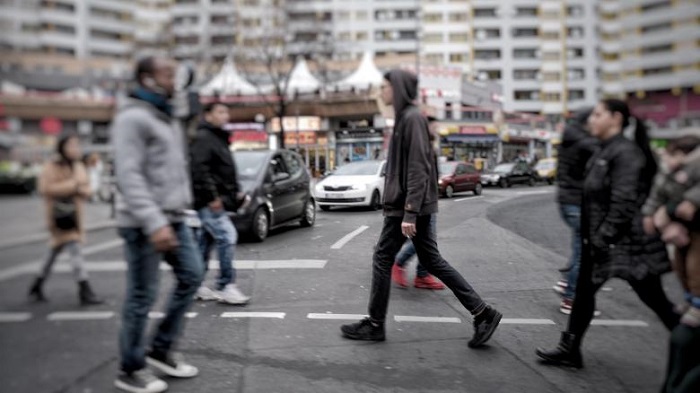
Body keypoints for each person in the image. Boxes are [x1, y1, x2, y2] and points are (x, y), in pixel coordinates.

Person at [340, 70, 502, 347]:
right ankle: (483, 312)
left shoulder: (412, 119)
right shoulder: (406, 119)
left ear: (399, 88)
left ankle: (375, 324)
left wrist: (410, 211)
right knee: (431, 260)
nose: (382, 91)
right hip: (411, 205)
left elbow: (418, 168)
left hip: (408, 206)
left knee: (382, 258)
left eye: (386, 86)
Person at [536, 99, 679, 369]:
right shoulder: (606, 150)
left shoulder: (625, 153)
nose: (591, 120)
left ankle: (690, 342)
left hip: (627, 244)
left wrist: (603, 237)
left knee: (654, 298)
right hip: (605, 242)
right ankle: (570, 349)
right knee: (583, 294)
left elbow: (624, 202)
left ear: (616, 118)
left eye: (598, 115)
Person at [112, 56, 204, 393]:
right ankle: (130, 368)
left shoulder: (167, 116)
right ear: (147, 79)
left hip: (174, 217)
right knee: (141, 296)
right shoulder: (132, 118)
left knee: (192, 276)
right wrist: (154, 222)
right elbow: (129, 175)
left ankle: (160, 349)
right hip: (142, 222)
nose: (175, 78)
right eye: (168, 73)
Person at [29, 134, 103, 305]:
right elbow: (45, 188)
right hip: (59, 216)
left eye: (77, 145)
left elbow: (87, 188)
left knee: (52, 252)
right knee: (75, 251)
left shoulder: (78, 165)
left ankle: (37, 284)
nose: (75, 148)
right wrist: (73, 186)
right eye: (71, 145)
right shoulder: (52, 166)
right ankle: (85, 290)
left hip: (75, 215)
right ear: (62, 147)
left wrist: (82, 189)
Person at [190, 102, 249, 305]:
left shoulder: (216, 137)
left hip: (217, 199)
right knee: (227, 235)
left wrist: (235, 193)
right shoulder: (205, 138)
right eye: (221, 112)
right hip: (210, 201)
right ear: (208, 115)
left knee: (205, 242)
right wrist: (212, 196)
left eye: (227, 111)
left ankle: (194, 284)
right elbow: (199, 170)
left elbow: (222, 172)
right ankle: (225, 285)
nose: (226, 115)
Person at [551, 109, 598, 315]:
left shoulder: (572, 135)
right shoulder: (583, 140)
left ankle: (566, 284)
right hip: (576, 201)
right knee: (583, 253)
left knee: (582, 249)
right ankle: (571, 298)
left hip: (571, 200)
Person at [391, 116, 445, 291]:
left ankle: (422, 274)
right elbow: (416, 176)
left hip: (428, 198)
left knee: (428, 240)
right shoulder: (418, 146)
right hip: (421, 200)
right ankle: (400, 263)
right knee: (426, 240)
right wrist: (412, 208)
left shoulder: (429, 144)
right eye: (434, 127)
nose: (436, 130)